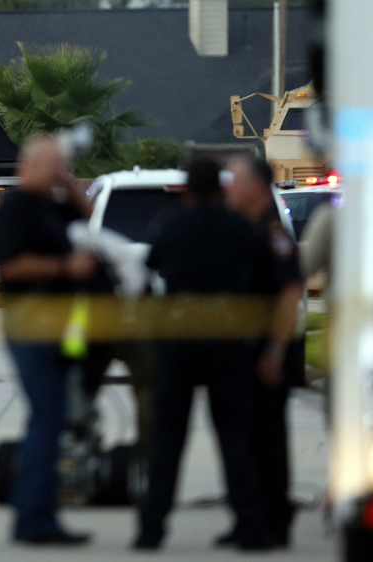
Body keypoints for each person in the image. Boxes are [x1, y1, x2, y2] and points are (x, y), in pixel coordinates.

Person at [135, 157, 271, 551]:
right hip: (226, 340)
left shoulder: (172, 224)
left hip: (179, 340)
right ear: (221, 188)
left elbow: (150, 265)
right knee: (233, 437)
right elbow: (259, 275)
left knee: (168, 439)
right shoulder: (240, 228)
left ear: (188, 190)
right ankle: (249, 524)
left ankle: (152, 528)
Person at [0, 137, 95, 546]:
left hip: (58, 326)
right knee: (47, 419)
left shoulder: (50, 206)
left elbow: (90, 218)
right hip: (30, 325)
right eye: (54, 165)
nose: (60, 172)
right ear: (33, 165)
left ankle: (37, 513)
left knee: (52, 419)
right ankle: (34, 519)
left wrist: (69, 183)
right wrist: (64, 266)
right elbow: (12, 266)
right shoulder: (17, 207)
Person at [223, 154, 304, 547]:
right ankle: (249, 519)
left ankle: (273, 521)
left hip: (267, 352)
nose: (229, 189)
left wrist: (274, 350)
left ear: (255, 187)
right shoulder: (246, 230)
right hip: (244, 350)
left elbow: (290, 293)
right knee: (248, 439)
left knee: (267, 438)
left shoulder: (273, 235)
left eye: (235, 181)